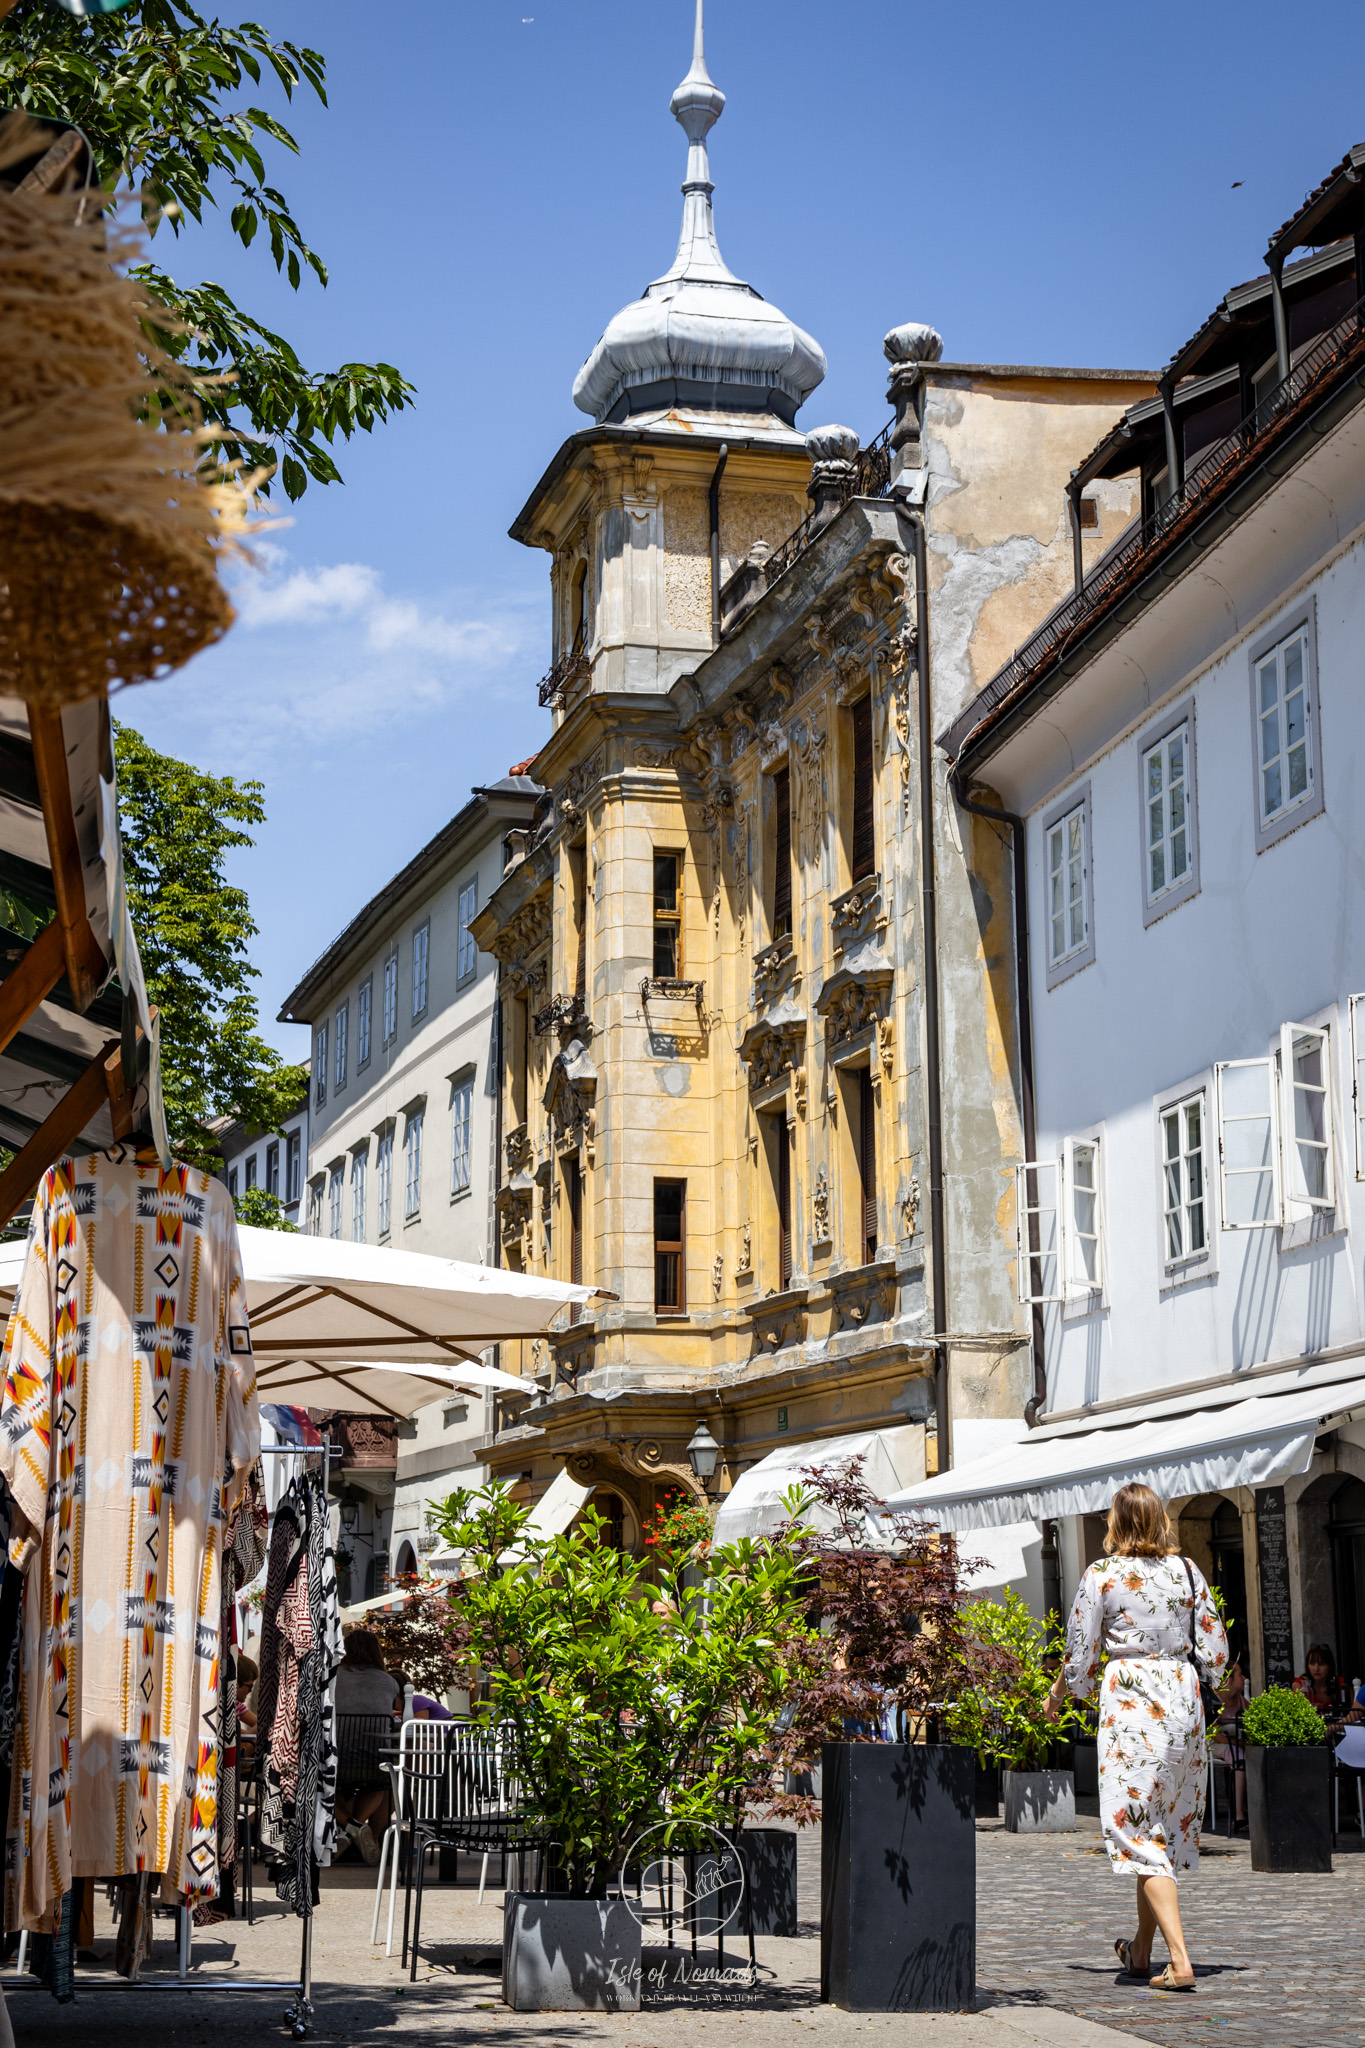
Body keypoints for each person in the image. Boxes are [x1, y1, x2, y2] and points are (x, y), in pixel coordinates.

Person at [1045, 1482, 1228, 1995]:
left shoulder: (1102, 1575)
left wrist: (1063, 1694)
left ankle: (1180, 1959)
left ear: (1118, 1523)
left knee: (1140, 1834)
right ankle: (1140, 1952)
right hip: (1182, 1698)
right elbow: (1215, 1655)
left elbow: (1080, 1654)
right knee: (1159, 1828)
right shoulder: (1189, 1571)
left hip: (1133, 1698)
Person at [334, 1630, 400, 1863]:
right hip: (374, 1763)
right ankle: (360, 1829)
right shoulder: (389, 1682)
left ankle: (348, 1830)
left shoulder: (332, 1677)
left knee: (326, 1787)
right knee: (380, 1786)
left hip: (336, 1761)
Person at [1210, 1660, 1247, 1830]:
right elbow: (1216, 1736)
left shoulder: (1240, 1700)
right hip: (1216, 1744)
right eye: (1240, 1674)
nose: (1244, 1678)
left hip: (1235, 1744)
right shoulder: (1216, 1700)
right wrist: (1238, 1742)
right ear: (1229, 1679)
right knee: (1239, 1756)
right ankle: (1239, 1816)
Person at [1294, 1643, 1340, 1718]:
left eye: (1321, 1664)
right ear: (1307, 1665)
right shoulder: (1301, 1684)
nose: (1316, 1669)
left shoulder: (1340, 1684)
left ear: (1330, 1666)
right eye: (1312, 1664)